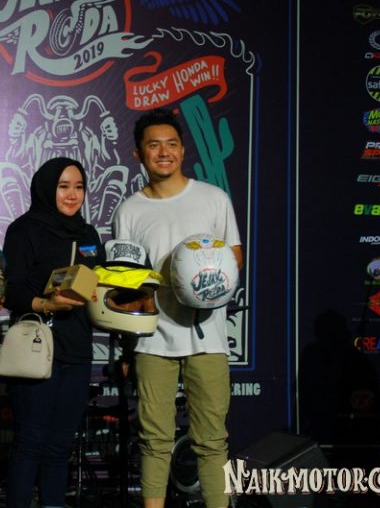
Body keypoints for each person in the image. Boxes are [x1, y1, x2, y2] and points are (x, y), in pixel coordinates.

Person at [113, 108, 243, 508]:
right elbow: (123, 281)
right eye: (154, 145)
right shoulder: (129, 211)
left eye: (171, 144)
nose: (164, 152)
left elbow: (235, 256)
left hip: (208, 338)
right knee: (154, 440)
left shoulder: (214, 198)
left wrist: (202, 274)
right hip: (152, 339)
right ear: (139, 154)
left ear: (183, 150)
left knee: (212, 440)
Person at [2, 157, 105, 508]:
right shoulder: (24, 230)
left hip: (77, 352)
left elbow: (97, 287)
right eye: (63, 187)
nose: (72, 195)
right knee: (30, 444)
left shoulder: (88, 235)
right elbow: (9, 291)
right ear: (47, 189)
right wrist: (45, 304)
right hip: (35, 349)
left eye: (79, 187)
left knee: (60, 447)